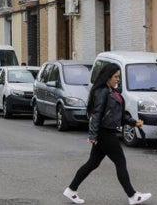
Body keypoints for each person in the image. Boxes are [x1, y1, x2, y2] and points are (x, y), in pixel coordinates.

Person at [63, 63, 152, 205]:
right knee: (120, 162)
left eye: (119, 77)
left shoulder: (112, 92)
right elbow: (96, 114)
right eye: (116, 77)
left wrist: (133, 122)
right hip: (105, 133)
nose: (118, 79)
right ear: (108, 77)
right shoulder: (103, 92)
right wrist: (93, 136)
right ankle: (132, 196)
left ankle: (71, 190)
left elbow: (118, 115)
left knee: (92, 163)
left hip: (105, 132)